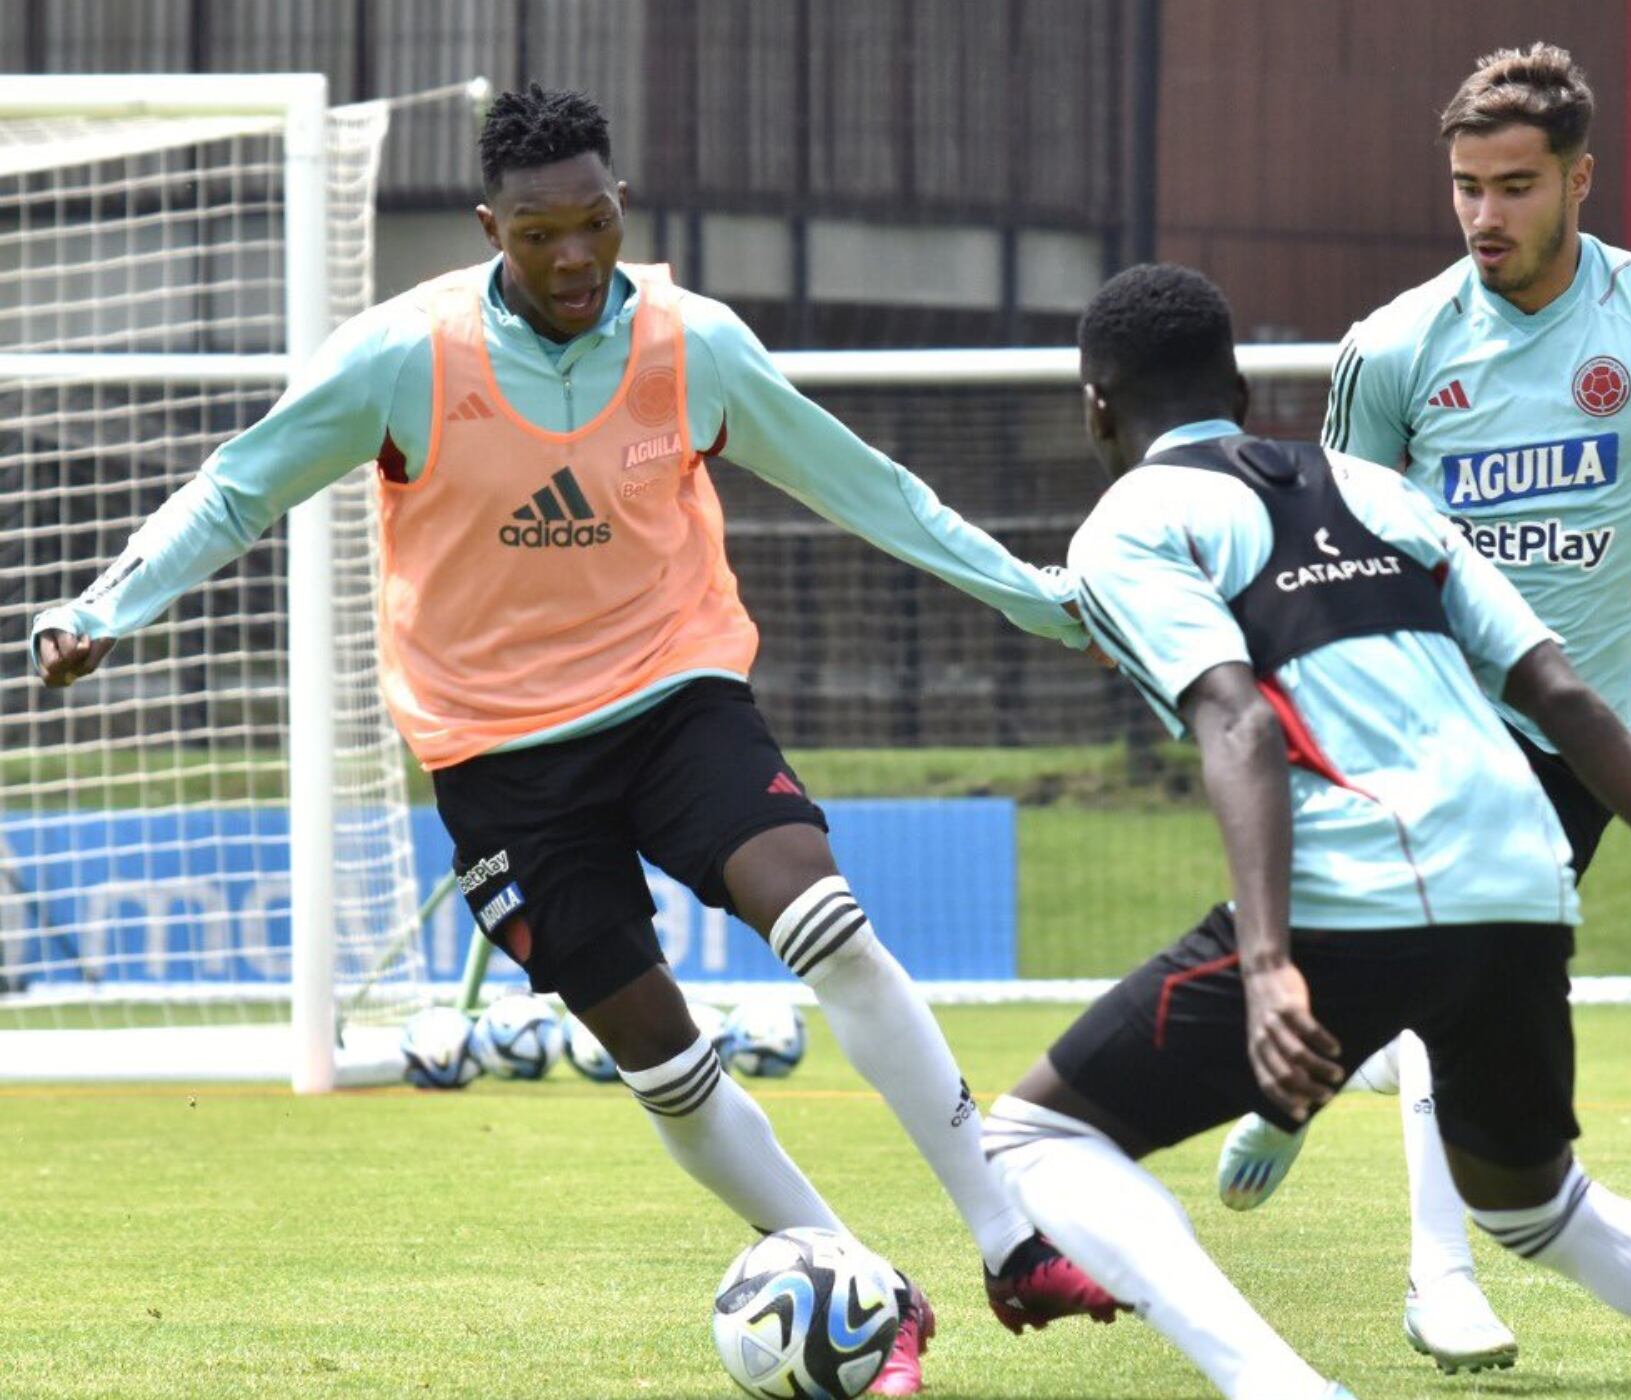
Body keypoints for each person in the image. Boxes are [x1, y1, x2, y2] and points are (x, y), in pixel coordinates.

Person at [29, 84, 1115, 1395]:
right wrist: (102, 609)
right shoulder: (402, 358)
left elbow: (870, 491)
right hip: (495, 757)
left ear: (620, 212)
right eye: (538, 233)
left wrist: (1044, 604)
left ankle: (1013, 1243)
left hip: (673, 701)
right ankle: (865, 1297)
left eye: (593, 226)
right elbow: (235, 490)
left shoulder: (691, 343)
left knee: (824, 917)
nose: (572, 260)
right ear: (492, 227)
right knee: (660, 1055)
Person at [980, 261, 1631, 1400]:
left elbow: (1238, 723)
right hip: (1522, 872)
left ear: (1095, 403)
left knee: (1039, 1138)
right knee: (1536, 1200)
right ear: (1240, 385)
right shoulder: (1376, 491)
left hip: (1364, 891)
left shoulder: (1129, 525)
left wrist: (1266, 967)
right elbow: (1567, 698)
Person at [1212, 43, 1631, 1375]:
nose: (1484, 216)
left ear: (1578, 181)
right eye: (1463, 189)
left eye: (1513, 187)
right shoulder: (1392, 347)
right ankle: (1438, 1269)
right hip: (1425, 714)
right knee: (1463, 960)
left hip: (1580, 726)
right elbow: (1327, 540)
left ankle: (1310, 1073)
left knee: (1447, 963)